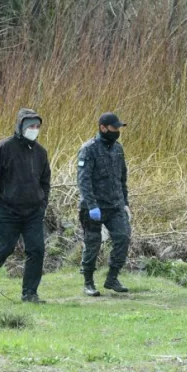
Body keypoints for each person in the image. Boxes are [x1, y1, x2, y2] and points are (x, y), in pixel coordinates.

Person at [0, 108, 51, 304]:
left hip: (33, 211)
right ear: (21, 126)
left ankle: (29, 293)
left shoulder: (41, 153)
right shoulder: (3, 148)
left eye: (37, 126)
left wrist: (42, 204)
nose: (34, 130)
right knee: (4, 248)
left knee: (36, 250)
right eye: (30, 126)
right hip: (7, 209)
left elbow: (45, 181)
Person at [77, 112, 131, 296]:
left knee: (123, 238)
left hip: (115, 206)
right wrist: (91, 206)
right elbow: (84, 181)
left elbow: (122, 177)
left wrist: (125, 203)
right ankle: (88, 282)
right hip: (94, 207)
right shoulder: (89, 149)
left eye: (118, 128)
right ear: (103, 127)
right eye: (114, 128)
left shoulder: (118, 149)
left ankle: (112, 278)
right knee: (93, 244)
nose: (117, 131)